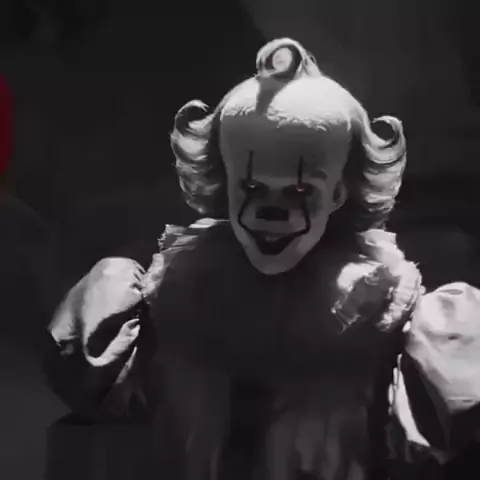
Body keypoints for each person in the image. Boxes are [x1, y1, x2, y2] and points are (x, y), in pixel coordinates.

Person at [43, 38, 480, 480]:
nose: (272, 212)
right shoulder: (159, 305)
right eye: (252, 187)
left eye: (300, 190)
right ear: (226, 178)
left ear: (338, 194)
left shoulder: (401, 325)